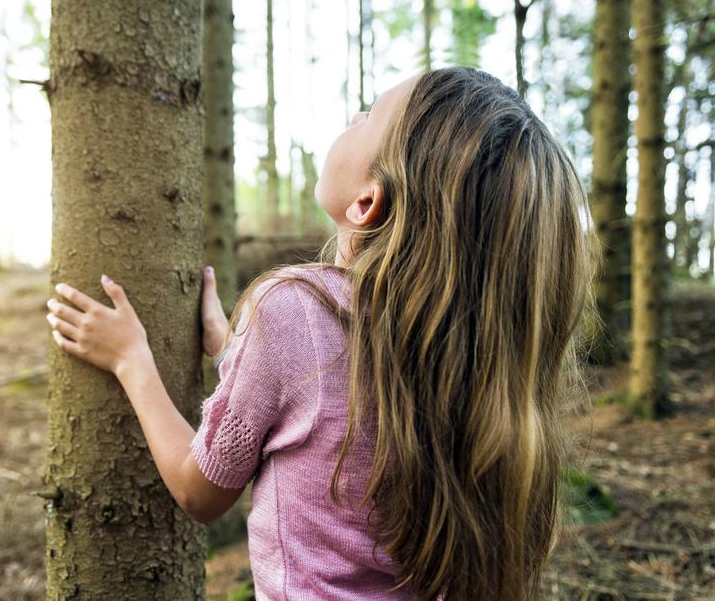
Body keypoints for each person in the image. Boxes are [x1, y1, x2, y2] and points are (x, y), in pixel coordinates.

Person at [46, 66, 600, 600]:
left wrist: (131, 361)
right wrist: (235, 351)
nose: (356, 113)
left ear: (367, 201)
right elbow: (338, 393)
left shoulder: (291, 306)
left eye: (369, 117)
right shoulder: (476, 365)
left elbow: (200, 490)